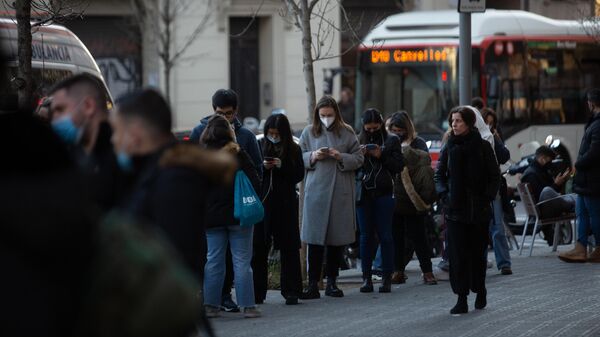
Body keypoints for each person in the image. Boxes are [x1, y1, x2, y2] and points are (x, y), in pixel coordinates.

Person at [111, 89, 236, 290]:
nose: (113, 140)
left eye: (116, 131)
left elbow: (174, 262)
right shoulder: (147, 173)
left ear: (135, 132)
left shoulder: (173, 182)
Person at [189, 88, 262, 312]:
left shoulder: (202, 156)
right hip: (240, 215)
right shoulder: (239, 153)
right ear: (231, 133)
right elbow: (256, 180)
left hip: (211, 217)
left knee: (213, 261)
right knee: (242, 263)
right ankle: (248, 307)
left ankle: (210, 305)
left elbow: (193, 187)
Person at [435, 106, 500, 314]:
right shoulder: (449, 146)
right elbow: (439, 176)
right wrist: (445, 196)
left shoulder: (482, 147)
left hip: (478, 212)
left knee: (476, 256)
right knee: (457, 256)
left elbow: (494, 176)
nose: (454, 124)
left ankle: (480, 291)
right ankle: (461, 298)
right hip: (455, 211)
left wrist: (486, 197)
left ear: (469, 124)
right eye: (452, 121)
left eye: (458, 121)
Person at [298, 95, 364, 299]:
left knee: (337, 242)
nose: (326, 118)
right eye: (323, 115)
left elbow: (359, 158)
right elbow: (298, 157)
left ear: (336, 113)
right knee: (315, 241)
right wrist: (312, 156)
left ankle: (332, 283)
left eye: (330, 115)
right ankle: (312, 284)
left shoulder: (347, 132)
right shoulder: (309, 132)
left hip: (339, 191)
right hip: (316, 192)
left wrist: (339, 156)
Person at [49, 73, 121, 212]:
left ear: (88, 106)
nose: (54, 119)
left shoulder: (120, 157)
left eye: (60, 109)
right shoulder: (72, 157)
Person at [255, 114, 305, 305]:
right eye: (271, 133)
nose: (273, 136)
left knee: (289, 247)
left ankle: (291, 290)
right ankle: (257, 291)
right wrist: (264, 167)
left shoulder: (294, 149)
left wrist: (282, 165)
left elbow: (298, 173)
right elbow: (253, 172)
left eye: (277, 134)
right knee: (259, 246)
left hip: (285, 203)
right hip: (264, 203)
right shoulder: (260, 146)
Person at [356, 108, 404, 293]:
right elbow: (351, 165)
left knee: (385, 236)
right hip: (364, 193)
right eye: (368, 129)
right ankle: (366, 277)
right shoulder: (358, 139)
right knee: (365, 236)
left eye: (375, 128)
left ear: (381, 125)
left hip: (384, 192)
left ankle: (386, 278)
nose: (371, 132)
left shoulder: (391, 140)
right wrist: (360, 155)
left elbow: (399, 166)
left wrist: (380, 155)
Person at [388, 111, 438, 285]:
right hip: (395, 196)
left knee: (419, 237)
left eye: (400, 130)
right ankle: (398, 271)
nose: (397, 133)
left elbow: (423, 163)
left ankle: (427, 271)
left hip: (413, 197)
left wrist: (405, 151)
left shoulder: (418, 143)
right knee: (397, 237)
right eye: (394, 130)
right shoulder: (388, 142)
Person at [558, 89, 600, 263]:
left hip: (592, 179)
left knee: (594, 214)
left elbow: (595, 152)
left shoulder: (598, 124)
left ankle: (597, 248)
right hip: (586, 180)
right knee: (581, 213)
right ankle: (580, 248)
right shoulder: (594, 122)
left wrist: (579, 163)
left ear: (592, 103)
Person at [480, 107, 513, 275]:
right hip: (479, 188)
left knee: (498, 226)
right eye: (486, 122)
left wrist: (496, 138)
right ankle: (482, 262)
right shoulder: (474, 138)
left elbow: (504, 156)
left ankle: (504, 263)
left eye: (492, 123)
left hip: (494, 187)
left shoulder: (493, 137)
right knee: (481, 228)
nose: (488, 125)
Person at [521, 145, 573, 245]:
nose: (550, 164)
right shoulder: (532, 174)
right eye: (549, 160)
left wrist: (558, 183)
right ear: (542, 158)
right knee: (575, 200)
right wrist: (556, 184)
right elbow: (544, 196)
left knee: (571, 198)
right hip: (544, 210)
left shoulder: (537, 171)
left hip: (542, 209)